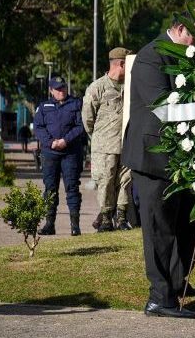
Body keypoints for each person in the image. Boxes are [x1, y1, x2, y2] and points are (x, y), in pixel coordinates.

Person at [121, 14, 195, 319]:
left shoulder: (186, 55)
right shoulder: (150, 56)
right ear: (180, 29)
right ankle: (159, 297)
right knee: (160, 229)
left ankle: (178, 284)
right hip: (153, 156)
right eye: (193, 36)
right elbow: (162, 103)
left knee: (187, 224)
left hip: (181, 157)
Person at [82, 47, 134, 233]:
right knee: (106, 181)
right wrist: (99, 137)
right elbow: (88, 119)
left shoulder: (131, 87)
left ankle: (121, 216)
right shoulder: (98, 87)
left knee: (125, 181)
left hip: (127, 143)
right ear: (121, 63)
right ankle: (105, 218)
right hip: (105, 146)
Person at [33, 76, 86, 236]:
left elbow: (81, 126)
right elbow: (38, 127)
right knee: (50, 189)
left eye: (63, 87)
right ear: (51, 90)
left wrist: (65, 140)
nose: (61, 91)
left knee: (72, 188)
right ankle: (49, 224)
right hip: (50, 154)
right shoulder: (43, 107)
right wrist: (51, 143)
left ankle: (75, 226)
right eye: (57, 88)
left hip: (70, 153)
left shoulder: (76, 104)